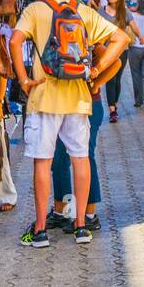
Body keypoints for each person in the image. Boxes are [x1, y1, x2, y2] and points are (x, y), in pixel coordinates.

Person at [10, 0, 130, 247]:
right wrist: (97, 72)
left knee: (43, 162)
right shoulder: (83, 11)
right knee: (81, 159)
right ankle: (81, 227)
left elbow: (15, 41)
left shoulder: (35, 10)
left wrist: (24, 79)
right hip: (79, 99)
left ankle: (40, 231)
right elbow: (121, 39)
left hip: (44, 96)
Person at [50, 96, 105, 231]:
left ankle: (89, 215)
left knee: (85, 158)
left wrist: (96, 82)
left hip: (87, 105)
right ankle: (62, 211)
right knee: (59, 158)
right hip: (63, 105)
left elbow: (112, 72)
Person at [97, 0, 132, 123]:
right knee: (110, 78)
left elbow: (133, 25)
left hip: (123, 49)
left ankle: (114, 103)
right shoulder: (101, 11)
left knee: (117, 79)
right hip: (106, 50)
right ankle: (112, 109)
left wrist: (141, 38)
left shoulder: (124, 12)